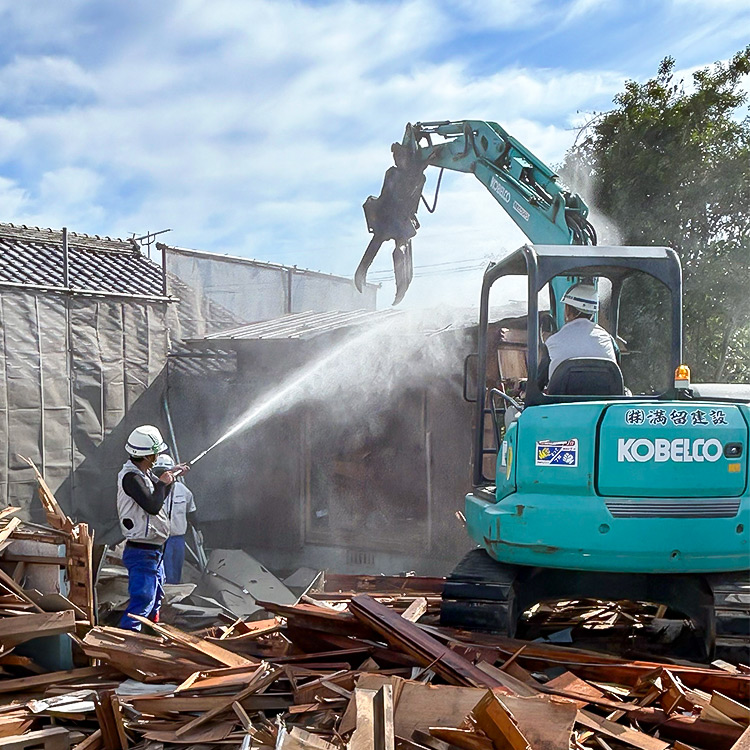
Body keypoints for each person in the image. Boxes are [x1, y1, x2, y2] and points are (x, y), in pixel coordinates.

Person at [116, 425, 187, 630]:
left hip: (154, 551)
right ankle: (128, 640)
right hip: (141, 551)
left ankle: (150, 634)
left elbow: (157, 497)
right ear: (148, 455)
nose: (157, 456)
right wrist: (163, 483)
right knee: (143, 597)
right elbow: (153, 506)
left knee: (155, 597)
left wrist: (169, 478)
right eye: (156, 453)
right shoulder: (132, 478)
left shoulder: (143, 474)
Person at [537, 282, 618, 390]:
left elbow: (538, 384)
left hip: (561, 406)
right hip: (604, 405)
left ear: (568, 309)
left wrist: (523, 385)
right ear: (593, 312)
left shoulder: (552, 342)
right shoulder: (608, 340)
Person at [153, 454, 199, 584]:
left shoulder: (183, 491)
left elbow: (191, 511)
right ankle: (163, 597)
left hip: (177, 538)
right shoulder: (152, 489)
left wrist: (198, 529)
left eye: (166, 471)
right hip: (159, 538)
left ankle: (174, 597)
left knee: (176, 568)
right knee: (163, 571)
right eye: (159, 472)